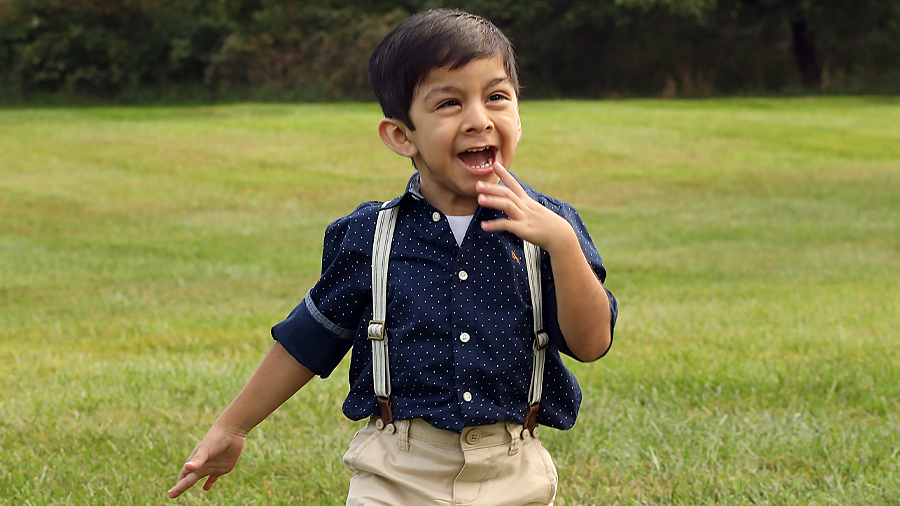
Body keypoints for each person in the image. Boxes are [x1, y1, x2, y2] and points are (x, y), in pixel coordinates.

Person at [168, 8, 617, 506]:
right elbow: (307, 341)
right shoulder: (371, 236)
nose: (478, 119)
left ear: (517, 113)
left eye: (496, 97)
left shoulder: (553, 228)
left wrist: (563, 245)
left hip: (512, 470)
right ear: (402, 136)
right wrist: (232, 426)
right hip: (396, 468)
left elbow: (593, 343)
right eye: (449, 103)